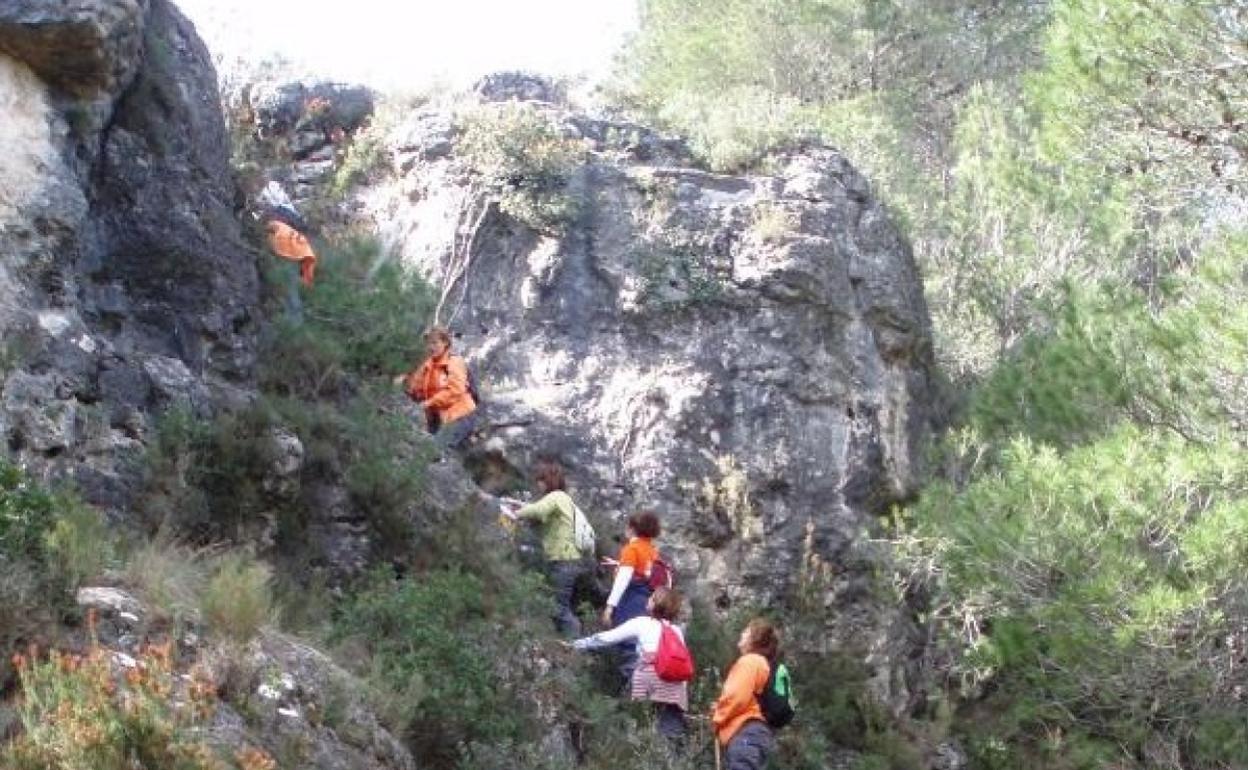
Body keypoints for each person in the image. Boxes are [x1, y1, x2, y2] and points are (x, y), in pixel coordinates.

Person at [568, 587, 689, 742]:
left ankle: (618, 747)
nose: (648, 599)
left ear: (655, 603)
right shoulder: (677, 631)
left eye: (652, 598)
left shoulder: (642, 623)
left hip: (648, 679)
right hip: (674, 687)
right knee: (670, 731)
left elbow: (607, 638)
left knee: (629, 718)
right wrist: (682, 695)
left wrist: (576, 644)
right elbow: (683, 662)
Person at [504, 459, 590, 637]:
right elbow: (538, 509)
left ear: (547, 480)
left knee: (559, 607)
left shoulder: (556, 497)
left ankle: (575, 642)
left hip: (564, 560)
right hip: (567, 559)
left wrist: (514, 514)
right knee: (558, 604)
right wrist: (521, 506)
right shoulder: (563, 499)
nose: (538, 485)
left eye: (540, 481)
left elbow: (539, 511)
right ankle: (572, 640)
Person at [601, 511, 662, 689]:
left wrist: (609, 607)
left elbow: (623, 580)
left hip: (631, 601)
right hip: (647, 601)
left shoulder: (631, 549)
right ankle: (642, 695)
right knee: (640, 648)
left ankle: (631, 694)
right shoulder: (652, 551)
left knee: (629, 647)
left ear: (632, 529)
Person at [712, 619, 779, 770]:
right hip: (759, 735)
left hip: (745, 734)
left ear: (754, 639)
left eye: (746, 631)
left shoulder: (750, 662)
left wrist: (717, 717)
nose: (742, 634)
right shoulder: (764, 664)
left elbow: (737, 697)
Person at [400, 327, 477, 450]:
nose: (431, 347)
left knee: (435, 450)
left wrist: (428, 403)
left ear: (445, 343)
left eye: (435, 343)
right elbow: (414, 388)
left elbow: (455, 390)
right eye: (428, 343)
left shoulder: (454, 362)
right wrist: (402, 382)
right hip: (438, 419)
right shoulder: (428, 364)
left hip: (460, 415)